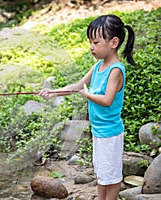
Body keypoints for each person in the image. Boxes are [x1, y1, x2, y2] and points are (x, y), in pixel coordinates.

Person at [38, 14, 136, 200]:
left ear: (113, 42)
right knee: (101, 171)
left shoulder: (115, 70)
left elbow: (107, 100)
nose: (91, 47)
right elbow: (76, 86)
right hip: (99, 131)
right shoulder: (99, 65)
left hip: (110, 133)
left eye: (96, 42)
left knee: (112, 176)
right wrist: (53, 92)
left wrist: (87, 94)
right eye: (90, 42)